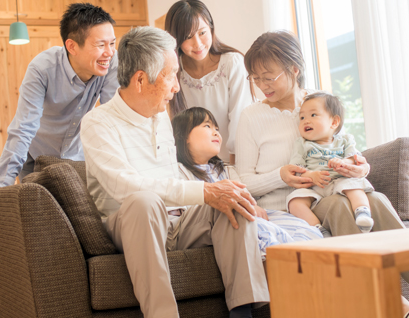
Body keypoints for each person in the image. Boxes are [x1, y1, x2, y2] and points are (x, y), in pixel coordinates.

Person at [235, 30, 409, 318]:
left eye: (269, 76)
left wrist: (360, 166)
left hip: (333, 187)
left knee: (375, 199)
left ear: (294, 69)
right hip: (296, 206)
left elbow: (345, 147)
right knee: (344, 206)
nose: (262, 85)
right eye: (255, 78)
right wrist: (280, 175)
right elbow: (243, 182)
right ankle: (400, 308)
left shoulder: (318, 104)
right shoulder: (251, 117)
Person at [79, 26, 268, 318]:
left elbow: (173, 178)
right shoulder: (97, 123)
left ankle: (244, 312)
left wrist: (218, 190)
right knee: (144, 201)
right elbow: (123, 186)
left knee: (232, 199)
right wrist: (203, 191)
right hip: (132, 222)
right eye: (171, 76)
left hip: (178, 221)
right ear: (141, 79)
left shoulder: (161, 116)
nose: (177, 87)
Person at [0, 3, 119, 201]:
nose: (109, 52)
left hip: (76, 156)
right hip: (35, 158)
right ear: (72, 46)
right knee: (39, 218)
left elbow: (113, 118)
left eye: (112, 43)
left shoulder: (109, 64)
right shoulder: (42, 69)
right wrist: (1, 183)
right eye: (101, 45)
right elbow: (24, 127)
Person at [172, 106, 322, 259]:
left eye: (216, 127)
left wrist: (254, 206)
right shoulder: (177, 171)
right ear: (184, 136)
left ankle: (309, 260)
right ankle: (283, 261)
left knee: (299, 226)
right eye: (207, 126)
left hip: (247, 215)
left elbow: (245, 194)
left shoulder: (225, 170)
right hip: (216, 222)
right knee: (263, 230)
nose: (216, 132)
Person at [165, 0, 252, 164]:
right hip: (194, 167)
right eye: (188, 37)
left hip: (235, 161)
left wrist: (232, 169)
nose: (197, 43)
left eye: (202, 33)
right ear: (175, 39)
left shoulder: (232, 64)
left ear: (211, 28)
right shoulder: (174, 71)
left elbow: (240, 121)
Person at [287, 92, 375, 237]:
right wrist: (311, 175)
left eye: (313, 115)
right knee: (295, 202)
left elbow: (355, 158)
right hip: (314, 186)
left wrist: (343, 162)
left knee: (354, 187)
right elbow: (296, 167)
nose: (306, 121)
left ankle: (362, 212)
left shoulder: (345, 140)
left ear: (334, 122)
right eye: (302, 117)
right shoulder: (301, 144)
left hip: (340, 179)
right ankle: (318, 229)